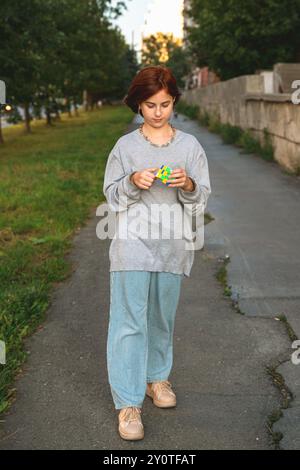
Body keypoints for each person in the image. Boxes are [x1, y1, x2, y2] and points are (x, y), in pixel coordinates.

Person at [102, 65, 211, 441]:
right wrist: (132, 182)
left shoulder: (190, 147)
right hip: (131, 245)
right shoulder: (125, 147)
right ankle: (128, 404)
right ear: (138, 105)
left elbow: (200, 204)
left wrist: (189, 183)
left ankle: (157, 380)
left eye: (165, 104)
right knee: (129, 321)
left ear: (175, 101)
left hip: (173, 246)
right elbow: (111, 197)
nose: (159, 112)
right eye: (150, 105)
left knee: (161, 319)